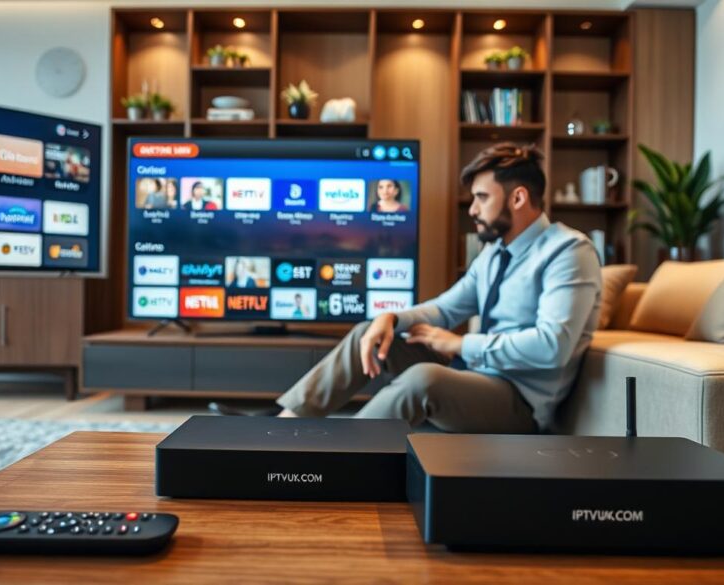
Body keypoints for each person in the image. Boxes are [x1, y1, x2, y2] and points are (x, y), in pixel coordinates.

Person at [212, 142, 601, 433]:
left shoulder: (568, 251)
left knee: (422, 380)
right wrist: (392, 318)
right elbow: (446, 308)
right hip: (476, 373)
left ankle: (336, 461)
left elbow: (553, 346)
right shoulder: (495, 252)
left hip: (519, 402)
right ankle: (282, 427)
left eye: (482, 198)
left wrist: (460, 344)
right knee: (370, 331)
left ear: (518, 197)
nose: (472, 209)